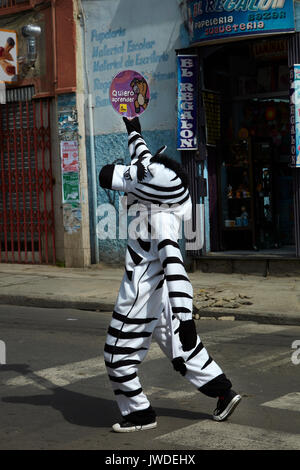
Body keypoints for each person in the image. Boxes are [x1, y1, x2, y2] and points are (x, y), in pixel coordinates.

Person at [99, 116, 241, 432]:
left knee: (116, 356)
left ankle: (140, 414)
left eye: (135, 182)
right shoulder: (155, 184)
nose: (127, 180)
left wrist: (186, 317)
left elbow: (176, 270)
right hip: (159, 296)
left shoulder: (163, 220)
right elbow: (141, 160)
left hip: (142, 294)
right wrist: (133, 128)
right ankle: (223, 392)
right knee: (184, 351)